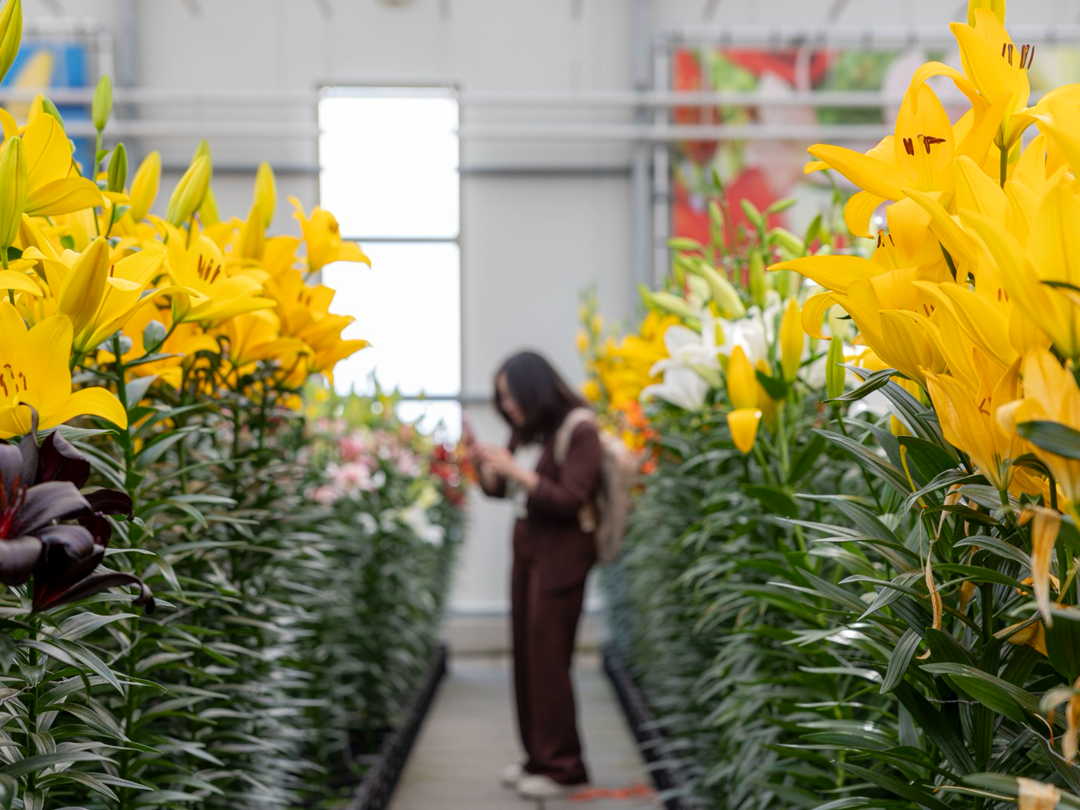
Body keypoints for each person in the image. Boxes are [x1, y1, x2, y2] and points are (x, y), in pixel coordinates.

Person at [463, 351, 601, 801]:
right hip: (529, 554)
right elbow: (501, 490)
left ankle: (566, 767)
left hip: (561, 558)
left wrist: (515, 471)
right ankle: (538, 757)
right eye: (501, 398)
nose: (507, 406)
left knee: (548, 661)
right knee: (525, 656)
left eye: (511, 396)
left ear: (533, 390)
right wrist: (482, 463)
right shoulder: (530, 432)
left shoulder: (580, 429)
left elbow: (569, 499)